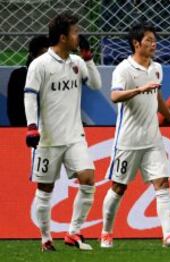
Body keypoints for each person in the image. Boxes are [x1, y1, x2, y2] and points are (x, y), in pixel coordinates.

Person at [100, 22, 170, 248]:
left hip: (152, 140)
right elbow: (115, 96)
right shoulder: (124, 69)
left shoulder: (156, 67)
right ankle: (106, 233)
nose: (153, 44)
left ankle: (168, 236)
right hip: (127, 141)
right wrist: (139, 89)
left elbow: (157, 97)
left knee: (162, 184)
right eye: (148, 40)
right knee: (118, 188)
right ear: (136, 43)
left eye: (154, 40)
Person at [24, 12, 102, 252]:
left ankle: (73, 232)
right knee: (45, 189)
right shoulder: (40, 65)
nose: (79, 36)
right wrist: (31, 127)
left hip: (74, 136)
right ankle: (46, 237)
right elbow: (30, 95)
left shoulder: (77, 62)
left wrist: (89, 60)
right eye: (75, 32)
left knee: (88, 179)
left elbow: (96, 85)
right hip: (48, 139)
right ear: (62, 37)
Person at [7, 36, 49, 126]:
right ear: (32, 55)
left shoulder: (55, 75)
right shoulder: (19, 76)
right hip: (25, 128)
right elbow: (14, 110)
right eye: (42, 55)